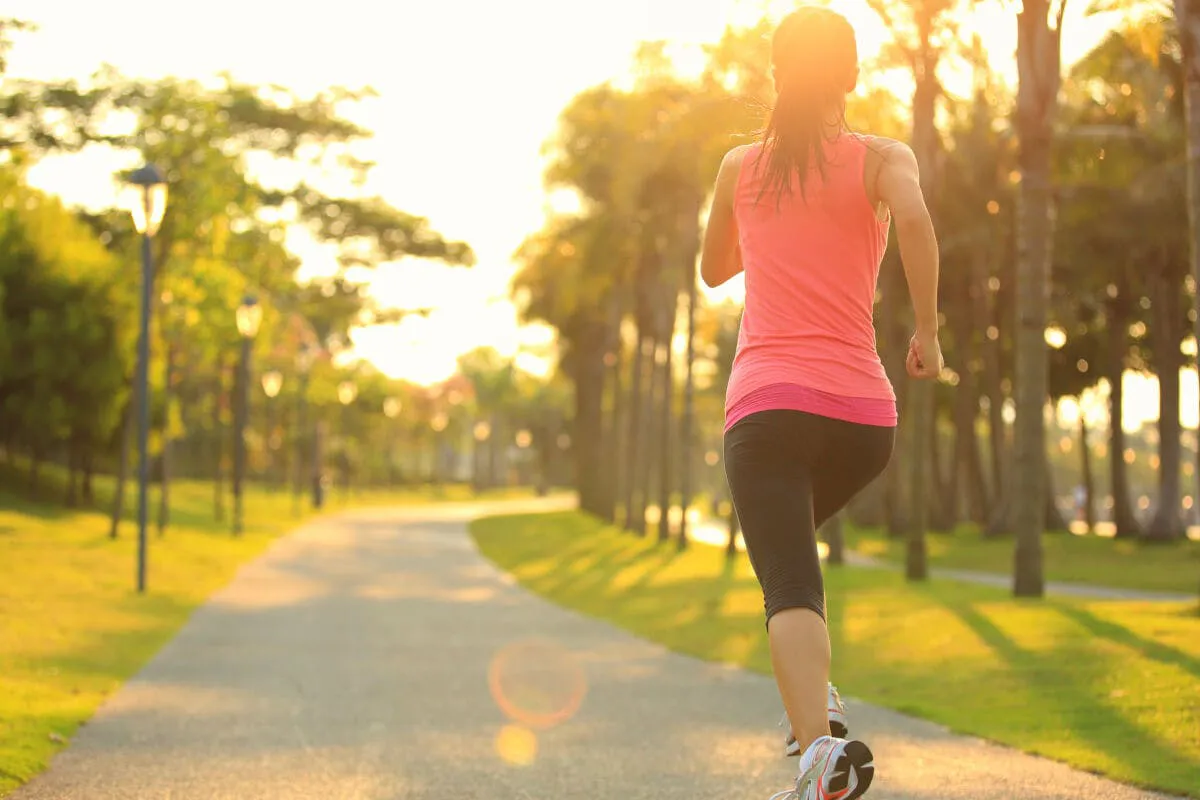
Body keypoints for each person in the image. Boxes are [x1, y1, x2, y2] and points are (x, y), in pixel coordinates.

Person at [698, 7, 943, 799]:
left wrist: (767, 223)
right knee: (791, 558)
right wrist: (929, 333)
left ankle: (818, 760)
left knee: (789, 585)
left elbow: (713, 269)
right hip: (864, 421)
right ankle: (818, 714)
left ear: (776, 77)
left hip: (769, 411)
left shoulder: (740, 166)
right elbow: (914, 217)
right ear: (852, 75)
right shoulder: (882, 158)